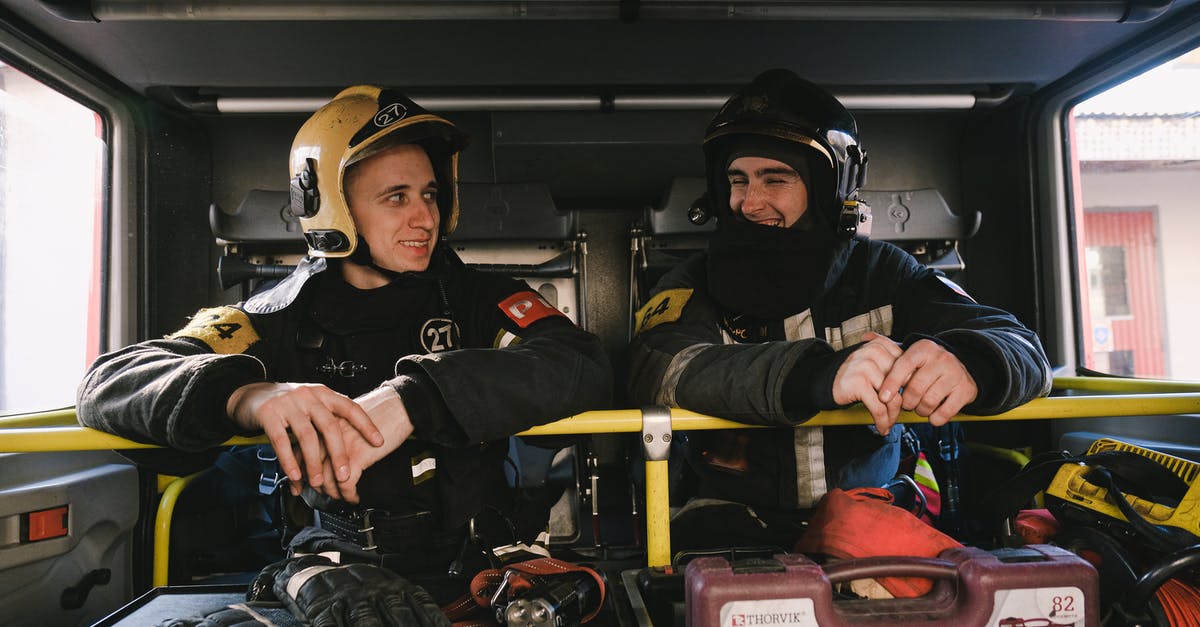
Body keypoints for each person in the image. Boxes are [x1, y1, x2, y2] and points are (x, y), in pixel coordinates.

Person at [77, 86, 612, 602]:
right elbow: (107, 384)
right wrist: (247, 397)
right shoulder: (268, 319)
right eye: (396, 197)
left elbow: (581, 360)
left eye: (429, 194)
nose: (424, 217)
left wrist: (416, 397)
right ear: (328, 206)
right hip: (331, 570)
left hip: (480, 567)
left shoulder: (483, 300)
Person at [627, 69, 1052, 550]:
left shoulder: (885, 272)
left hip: (870, 519)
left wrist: (972, 362)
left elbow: (1021, 345)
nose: (750, 202)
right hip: (729, 525)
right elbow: (655, 366)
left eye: (776, 179)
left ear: (830, 187)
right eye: (738, 180)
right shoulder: (694, 281)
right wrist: (817, 376)